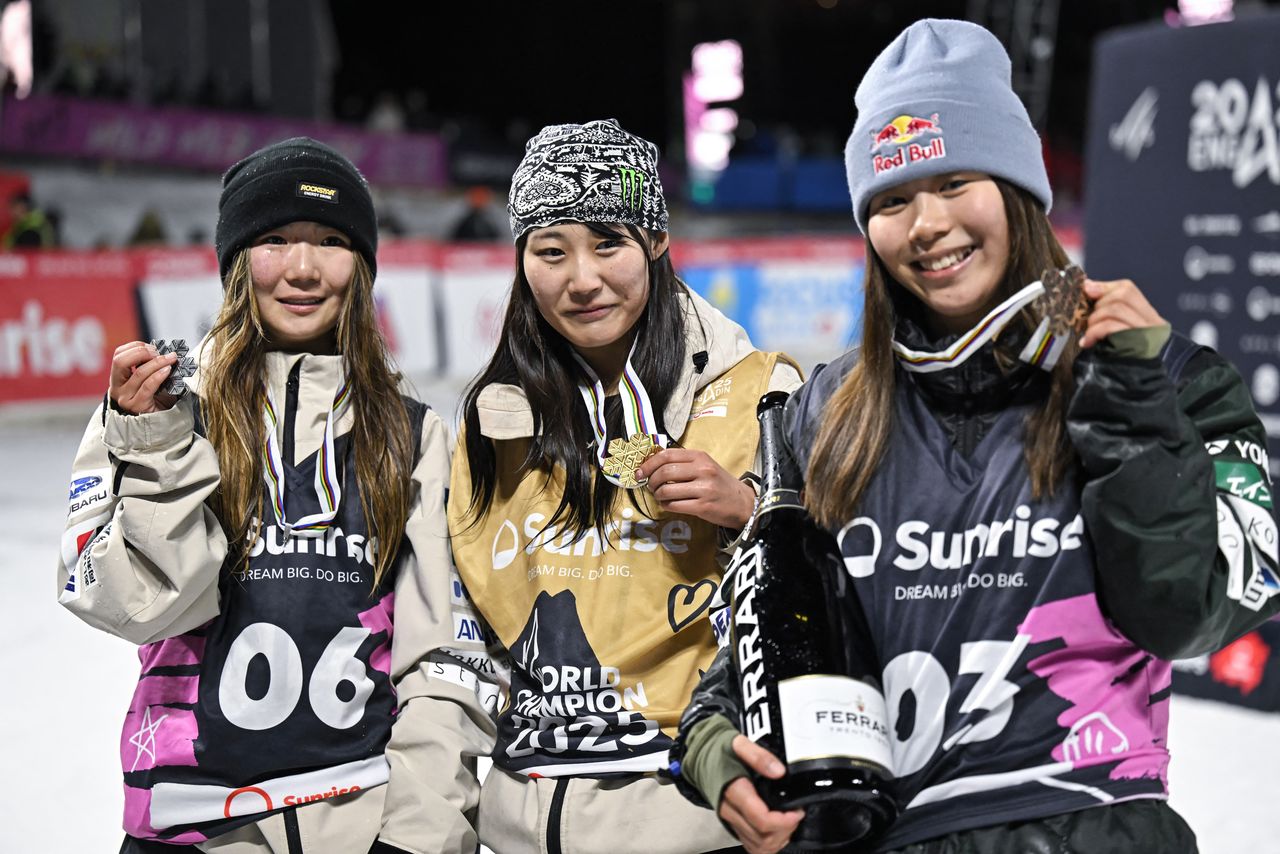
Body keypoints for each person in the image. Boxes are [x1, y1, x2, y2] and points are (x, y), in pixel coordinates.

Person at [670, 19, 1278, 854]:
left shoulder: (1167, 377)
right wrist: (715, 746)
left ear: (1018, 189)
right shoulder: (827, 412)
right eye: (892, 200)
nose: (926, 223)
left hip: (1092, 828)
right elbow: (767, 631)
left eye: (955, 182)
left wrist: (1130, 398)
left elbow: (1191, 617)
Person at [56, 137, 494, 853]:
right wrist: (155, 448)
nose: (302, 268)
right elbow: (135, 608)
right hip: (186, 826)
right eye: (275, 239)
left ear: (362, 265)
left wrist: (420, 835)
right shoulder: (158, 413)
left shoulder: (414, 435)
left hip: (360, 824)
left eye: (330, 241)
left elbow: (443, 659)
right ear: (236, 260)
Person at [447, 118, 803, 853]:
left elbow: (824, 591)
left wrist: (750, 510)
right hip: (521, 823)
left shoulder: (763, 392)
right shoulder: (494, 418)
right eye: (551, 251)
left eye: (608, 242)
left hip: (691, 815)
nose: (582, 279)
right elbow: (465, 631)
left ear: (657, 241)